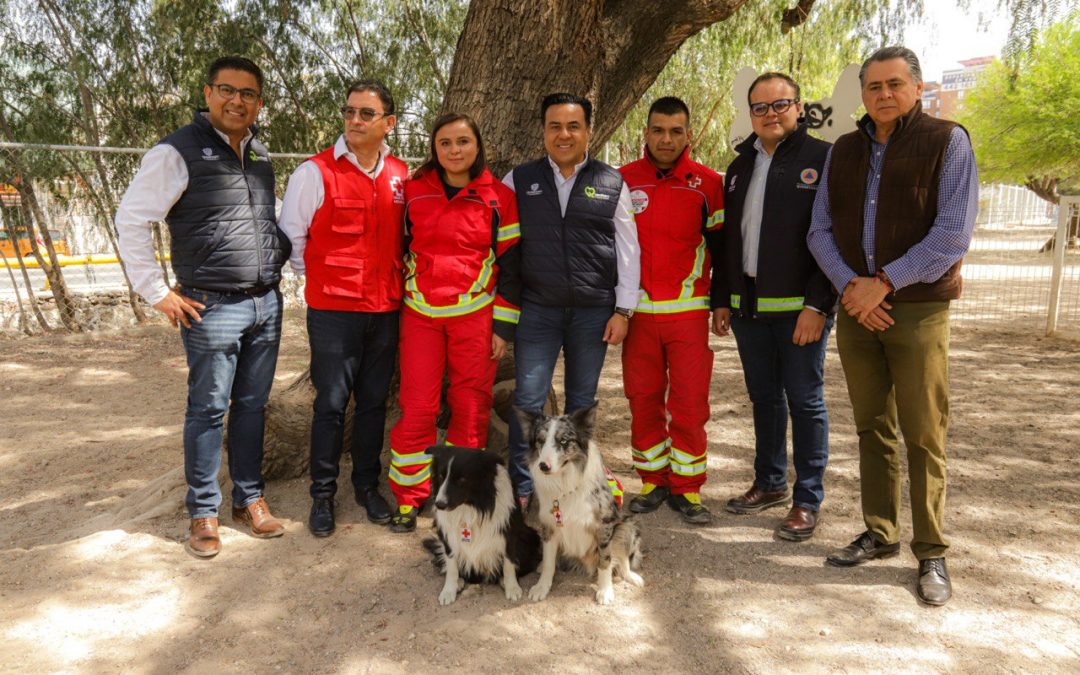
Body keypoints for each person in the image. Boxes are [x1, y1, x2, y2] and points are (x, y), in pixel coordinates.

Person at [807, 46, 978, 606]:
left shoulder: (948, 141)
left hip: (918, 309)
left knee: (924, 433)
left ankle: (931, 550)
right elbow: (819, 231)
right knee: (871, 426)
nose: (884, 94)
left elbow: (952, 234)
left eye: (895, 84)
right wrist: (853, 289)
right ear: (863, 93)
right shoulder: (844, 150)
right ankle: (880, 533)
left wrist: (884, 282)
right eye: (874, 86)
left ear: (918, 87)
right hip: (859, 310)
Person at [115, 56, 290, 557]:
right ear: (208, 93)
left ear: (259, 102)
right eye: (227, 90)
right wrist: (157, 292)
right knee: (209, 410)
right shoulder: (175, 152)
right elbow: (131, 220)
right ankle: (204, 512)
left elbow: (265, 219)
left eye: (248, 93)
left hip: (265, 304)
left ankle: (249, 500)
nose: (237, 101)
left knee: (253, 407)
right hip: (210, 307)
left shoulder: (259, 154)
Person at [278, 80, 408, 537]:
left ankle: (367, 487)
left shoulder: (401, 174)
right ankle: (322, 494)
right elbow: (292, 238)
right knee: (331, 405)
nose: (354, 120)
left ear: (388, 123)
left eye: (366, 113)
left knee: (373, 403)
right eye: (349, 111)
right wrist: (323, 280)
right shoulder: (314, 172)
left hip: (386, 309)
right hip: (334, 312)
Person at [384, 113, 522, 532]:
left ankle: (460, 495)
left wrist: (503, 327)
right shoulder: (414, 192)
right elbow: (397, 247)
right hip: (421, 316)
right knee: (418, 407)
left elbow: (512, 265)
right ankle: (409, 497)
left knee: (471, 405)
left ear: (477, 146)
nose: (454, 150)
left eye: (463, 141)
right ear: (434, 148)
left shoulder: (499, 197)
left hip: (475, 318)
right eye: (445, 143)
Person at [713, 72, 835, 541]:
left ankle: (807, 498)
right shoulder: (739, 166)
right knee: (764, 398)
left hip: (801, 311)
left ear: (799, 108)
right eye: (760, 107)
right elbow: (729, 239)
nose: (770, 114)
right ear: (750, 114)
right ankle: (770, 482)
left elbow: (834, 238)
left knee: (805, 400)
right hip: (749, 310)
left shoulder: (824, 159)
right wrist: (722, 298)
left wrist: (818, 305)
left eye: (780, 104)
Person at [503, 93, 641, 508]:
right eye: (555, 126)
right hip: (537, 311)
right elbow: (504, 248)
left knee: (582, 406)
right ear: (544, 131)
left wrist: (623, 309)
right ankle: (524, 489)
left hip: (592, 313)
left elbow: (628, 249)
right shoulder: (519, 180)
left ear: (589, 131)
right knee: (528, 403)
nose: (564, 135)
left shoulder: (611, 182)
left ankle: (576, 488)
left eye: (573, 126)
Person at [618, 97, 724, 524]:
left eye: (675, 131)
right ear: (646, 133)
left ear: (688, 135)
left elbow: (722, 248)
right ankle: (652, 481)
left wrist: (721, 302)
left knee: (690, 402)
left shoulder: (708, 184)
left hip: (688, 313)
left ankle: (688, 487)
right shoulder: (623, 180)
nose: (666, 139)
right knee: (642, 398)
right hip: (638, 315)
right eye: (658, 130)